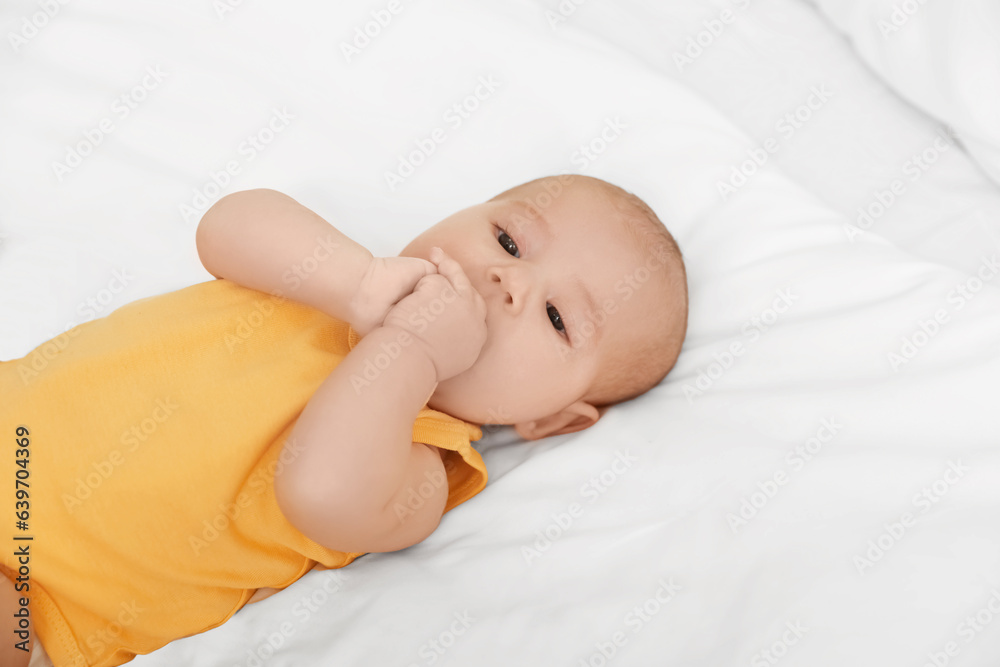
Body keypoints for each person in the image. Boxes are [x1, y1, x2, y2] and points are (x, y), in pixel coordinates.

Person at [0, 173, 687, 667]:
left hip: (36, 585)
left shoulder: (421, 465)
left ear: (552, 422)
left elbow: (320, 490)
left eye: (557, 317)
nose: (510, 281)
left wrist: (410, 349)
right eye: (508, 239)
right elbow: (226, 223)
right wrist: (356, 283)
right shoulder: (327, 274)